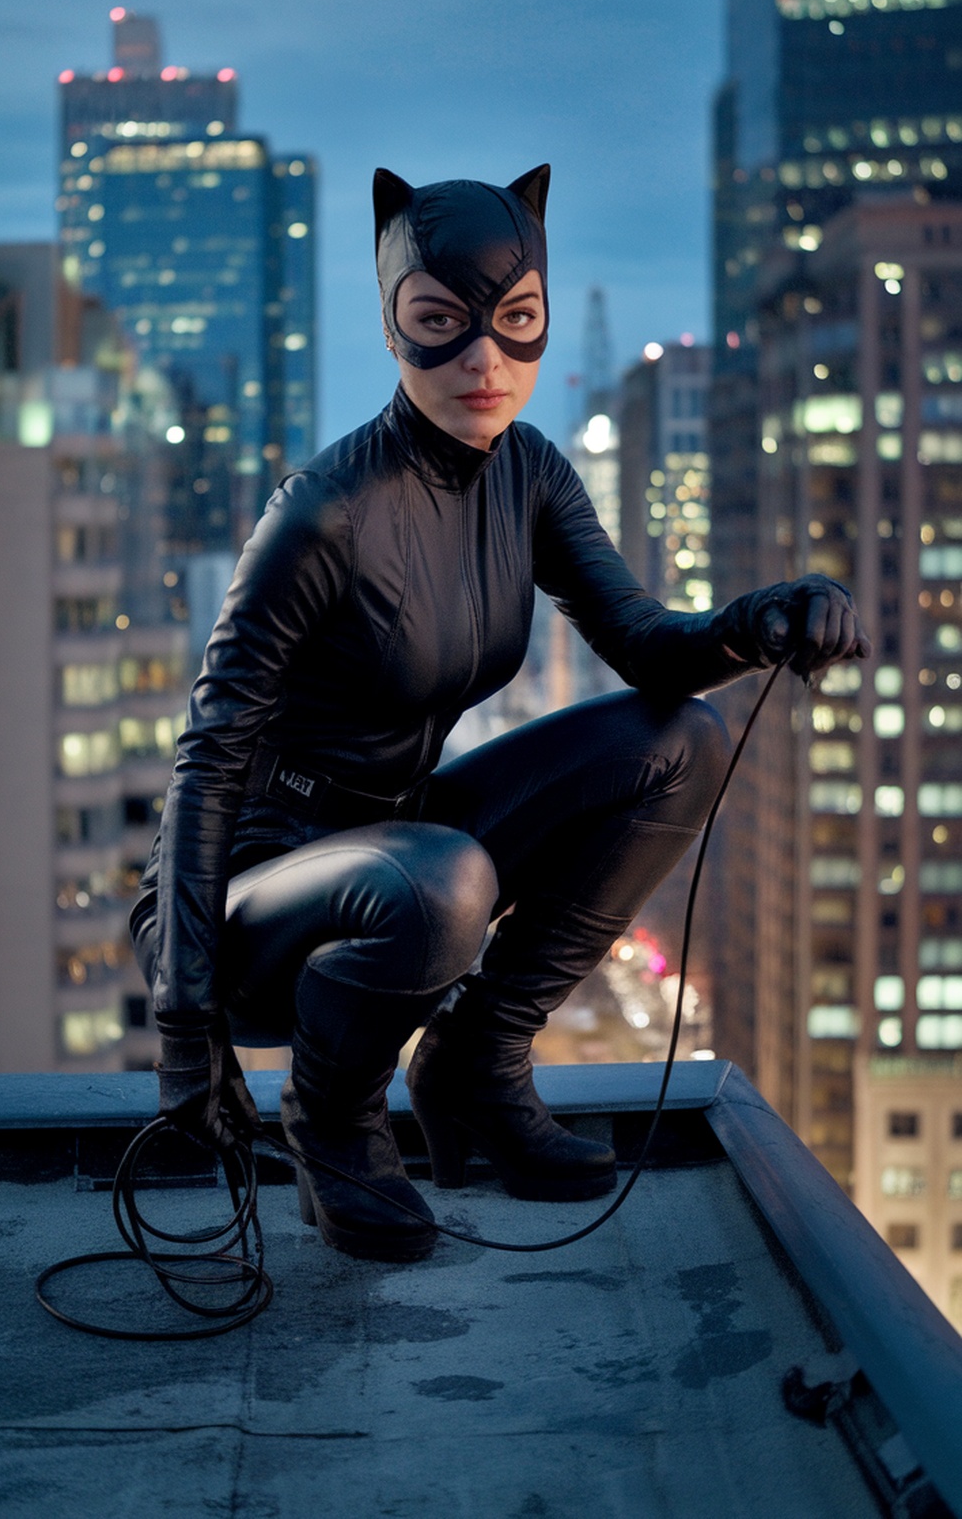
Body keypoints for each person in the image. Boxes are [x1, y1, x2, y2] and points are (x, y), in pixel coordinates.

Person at [130, 163, 870, 1265]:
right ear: (392, 328)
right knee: (443, 879)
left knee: (683, 742)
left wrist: (761, 621)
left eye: (514, 321)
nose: (482, 358)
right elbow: (205, 762)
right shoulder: (323, 511)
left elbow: (647, 651)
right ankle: (335, 1122)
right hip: (260, 887)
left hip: (405, 836)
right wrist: (185, 1028)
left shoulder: (526, 473)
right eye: (440, 323)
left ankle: (479, 1058)